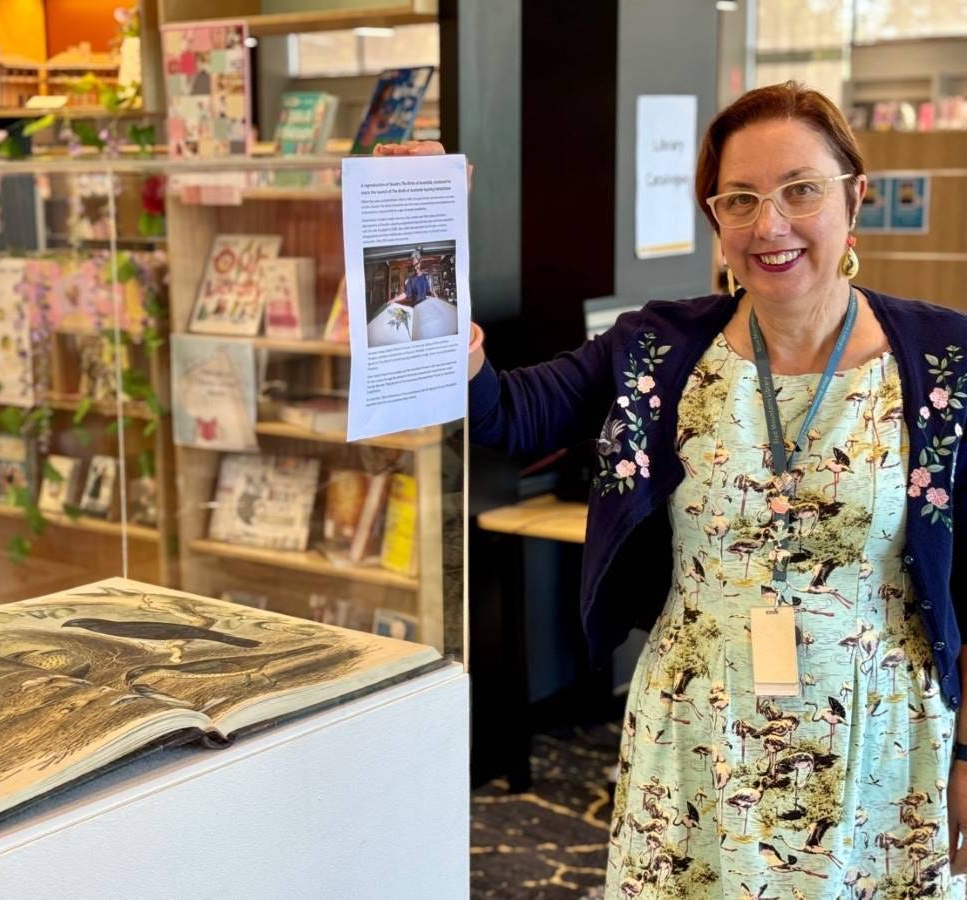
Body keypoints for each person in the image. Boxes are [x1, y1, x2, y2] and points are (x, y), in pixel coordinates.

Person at [379, 82, 967, 896]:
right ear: (715, 218)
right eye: (740, 199)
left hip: (880, 732)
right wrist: (423, 226)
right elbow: (507, 412)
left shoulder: (945, 360)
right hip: (699, 725)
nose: (771, 225)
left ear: (854, 197)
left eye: (801, 190)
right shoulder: (659, 348)